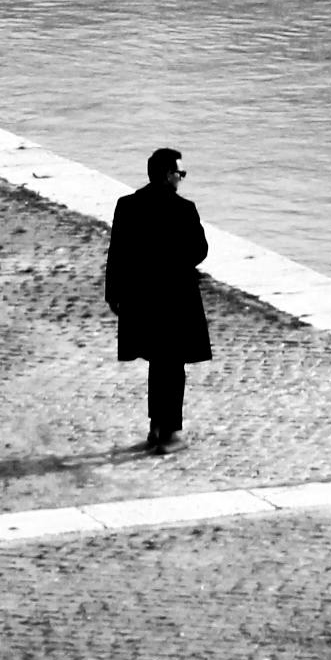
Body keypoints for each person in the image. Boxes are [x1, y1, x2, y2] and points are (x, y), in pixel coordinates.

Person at [104, 146, 211, 452]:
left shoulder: (127, 205)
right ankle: (171, 433)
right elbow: (199, 251)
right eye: (180, 173)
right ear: (168, 175)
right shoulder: (184, 209)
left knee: (156, 362)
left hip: (141, 297)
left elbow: (117, 254)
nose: (182, 178)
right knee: (173, 366)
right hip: (176, 299)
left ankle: (155, 426)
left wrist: (114, 294)